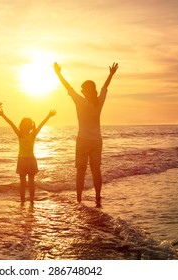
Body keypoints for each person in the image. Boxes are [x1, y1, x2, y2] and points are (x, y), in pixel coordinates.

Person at [54, 61, 118, 205]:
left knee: (81, 171)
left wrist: (58, 73)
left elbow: (68, 87)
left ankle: (78, 199)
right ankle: (97, 197)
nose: (81, 91)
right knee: (96, 170)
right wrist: (110, 74)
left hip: (83, 140)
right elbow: (104, 87)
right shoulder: (98, 102)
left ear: (85, 91)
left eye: (82, 89)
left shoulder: (80, 102)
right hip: (96, 141)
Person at [0, 109, 56, 203]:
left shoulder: (33, 134)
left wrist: (48, 116)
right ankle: (22, 201)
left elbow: (41, 125)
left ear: (30, 126)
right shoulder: (19, 134)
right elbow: (11, 123)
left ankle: (32, 201)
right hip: (22, 160)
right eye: (24, 125)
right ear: (21, 126)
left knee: (31, 182)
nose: (26, 126)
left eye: (28, 125)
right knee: (22, 183)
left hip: (30, 159)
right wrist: (3, 115)